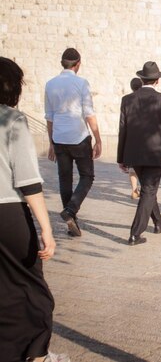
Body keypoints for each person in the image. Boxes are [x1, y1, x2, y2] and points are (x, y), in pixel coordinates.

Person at [0, 57, 70, 362]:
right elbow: (28, 180)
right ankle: (35, 354)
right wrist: (46, 228)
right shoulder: (12, 120)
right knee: (33, 291)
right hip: (8, 214)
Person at [44, 48, 102, 237]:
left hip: (59, 138)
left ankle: (72, 222)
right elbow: (89, 113)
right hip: (78, 137)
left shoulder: (50, 84)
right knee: (87, 176)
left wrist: (51, 142)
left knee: (65, 179)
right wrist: (98, 138)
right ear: (78, 64)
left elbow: (49, 116)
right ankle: (70, 210)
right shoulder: (81, 83)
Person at [117, 62, 161, 245]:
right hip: (156, 153)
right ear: (157, 80)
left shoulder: (127, 100)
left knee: (148, 191)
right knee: (149, 191)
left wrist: (121, 157)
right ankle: (135, 233)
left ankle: (158, 221)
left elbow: (123, 129)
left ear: (142, 79)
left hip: (134, 154)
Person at [127, 78, 143, 200]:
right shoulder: (145, 99)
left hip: (131, 138)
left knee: (132, 169)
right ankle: (144, 188)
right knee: (144, 167)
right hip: (143, 137)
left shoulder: (127, 100)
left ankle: (134, 190)